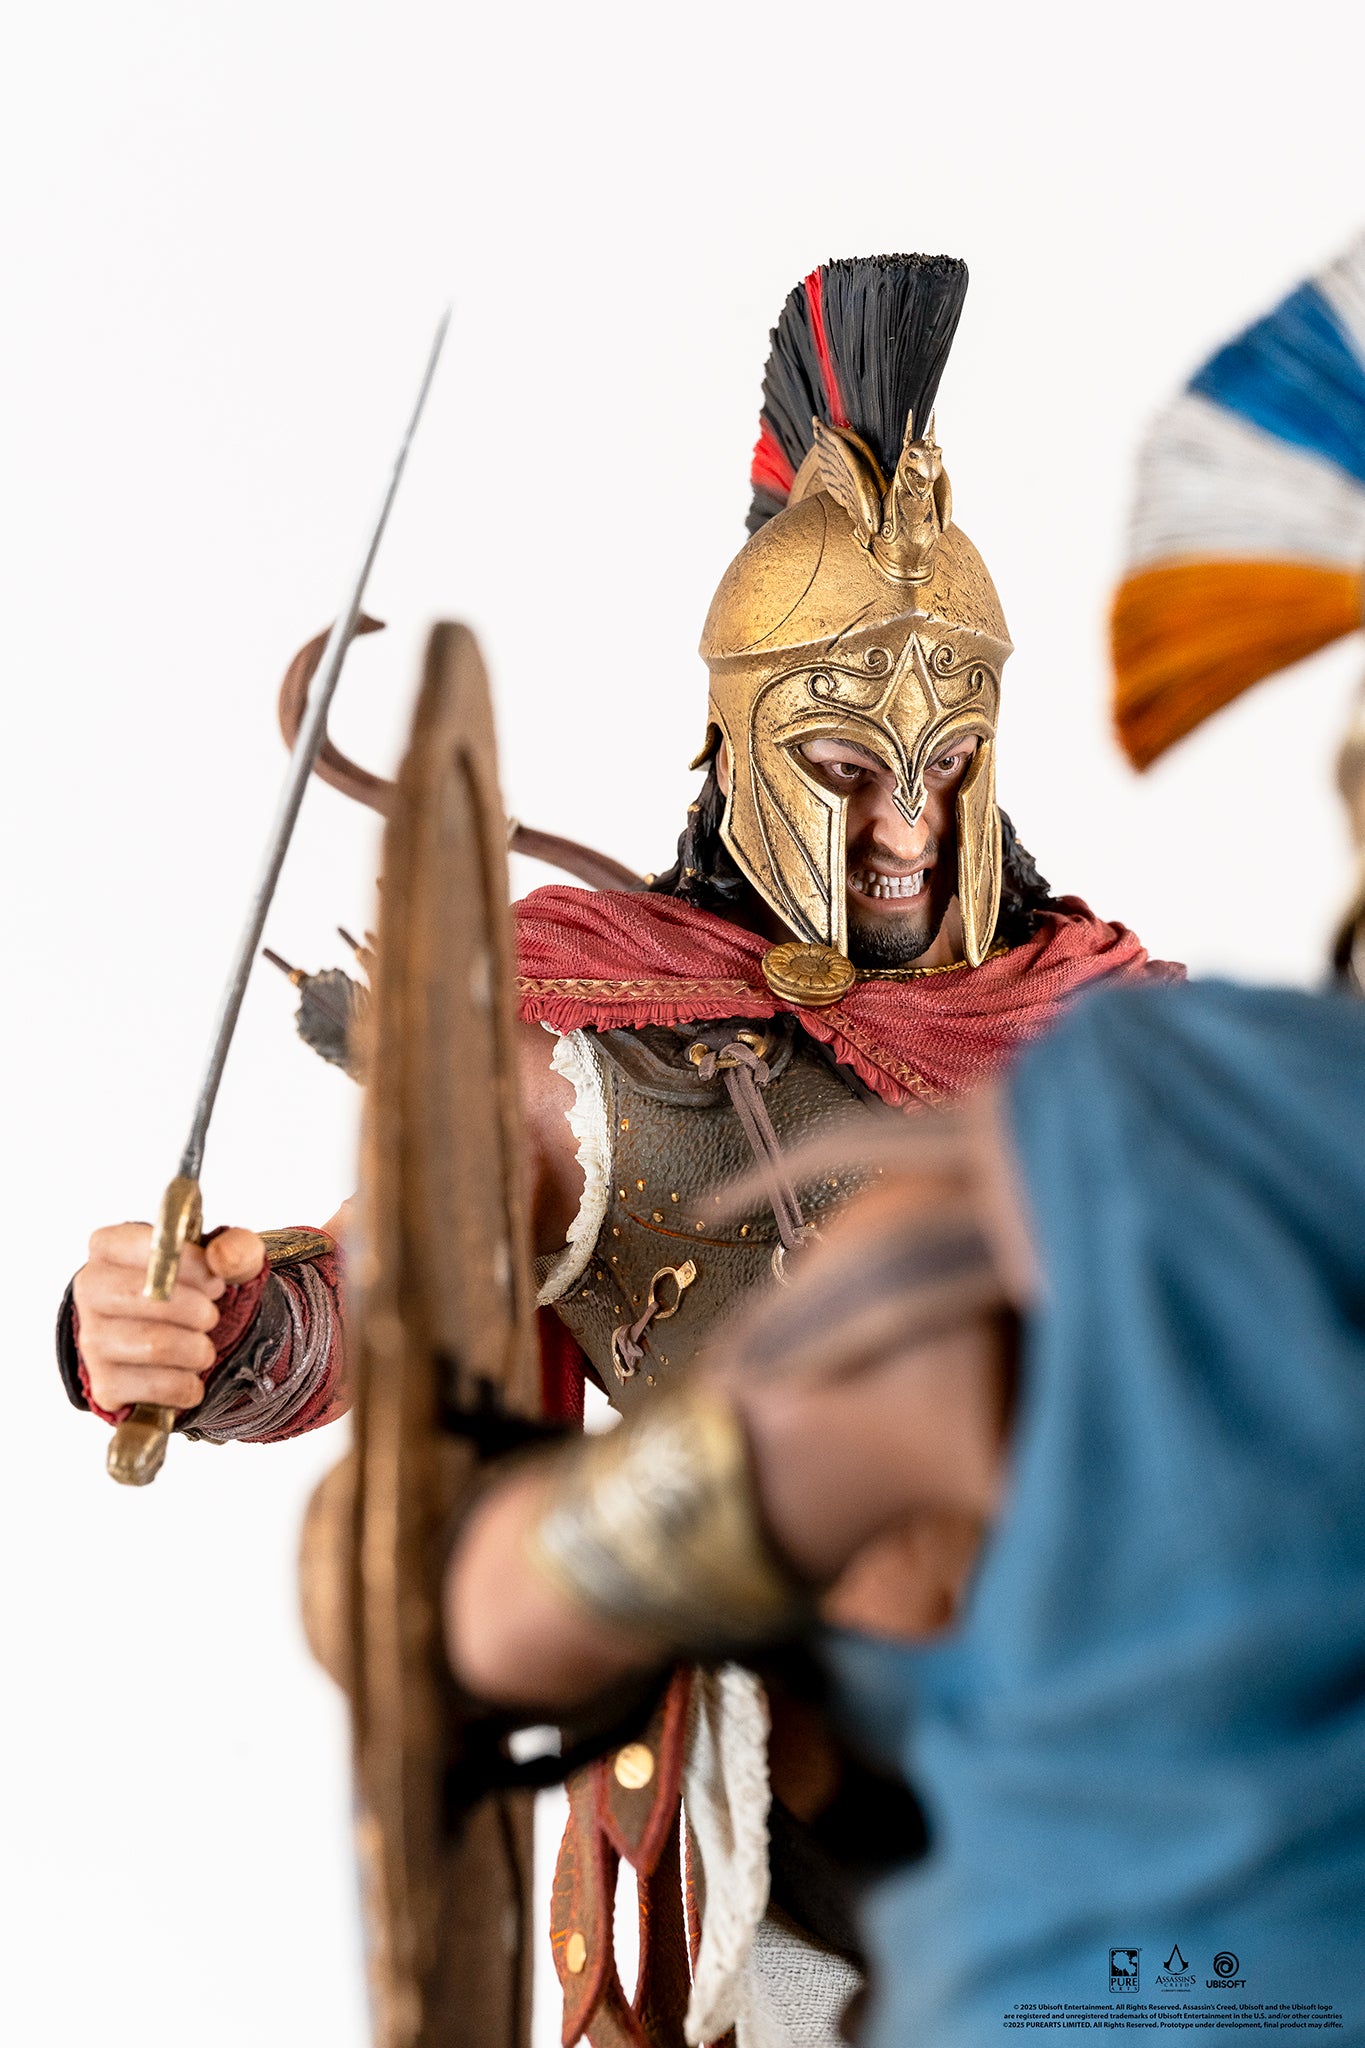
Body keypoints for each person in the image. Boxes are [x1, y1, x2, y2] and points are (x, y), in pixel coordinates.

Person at [58, 254, 1173, 2044]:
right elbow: (384, 1300)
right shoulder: (596, 1051)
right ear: (742, 738)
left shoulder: (1108, 1027)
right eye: (845, 756)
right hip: (781, 1849)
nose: (906, 822)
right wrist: (199, 1332)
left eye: (950, 759)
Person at [446, 975, 1365, 2046]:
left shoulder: (1146, 1116)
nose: (904, 817)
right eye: (858, 787)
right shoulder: (1162, 1117)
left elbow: (500, 1613)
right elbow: (372, 1278)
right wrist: (256, 1326)